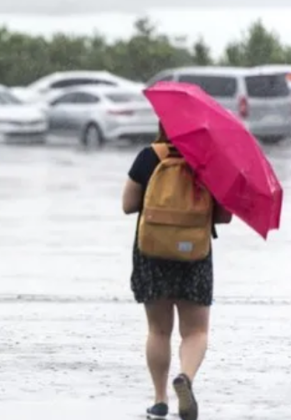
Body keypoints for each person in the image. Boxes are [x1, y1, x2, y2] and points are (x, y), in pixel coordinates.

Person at [122, 124, 232, 420]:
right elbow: (224, 216)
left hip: (152, 253)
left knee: (158, 330)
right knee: (195, 331)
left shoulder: (149, 157)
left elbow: (128, 204)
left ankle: (159, 400)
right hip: (194, 254)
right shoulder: (210, 162)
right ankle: (185, 377)